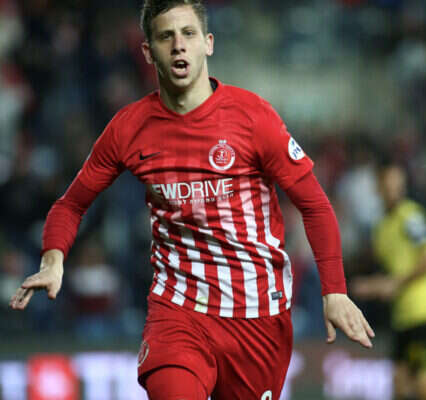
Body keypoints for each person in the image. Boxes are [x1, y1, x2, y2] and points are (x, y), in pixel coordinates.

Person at [9, 1, 375, 399]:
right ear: (148, 51)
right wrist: (53, 259)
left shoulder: (253, 117)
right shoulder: (129, 128)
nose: (178, 45)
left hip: (257, 317)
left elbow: (315, 205)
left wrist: (334, 291)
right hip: (178, 312)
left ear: (208, 43)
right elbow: (70, 204)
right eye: (166, 36)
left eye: (188, 34)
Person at [352, 163, 426, 400]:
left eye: (398, 185)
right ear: (378, 188)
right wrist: (372, 286)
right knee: (399, 387)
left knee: (425, 389)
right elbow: (393, 273)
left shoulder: (411, 216)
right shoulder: (381, 229)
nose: (394, 190)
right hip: (402, 318)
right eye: (389, 185)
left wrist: (396, 284)